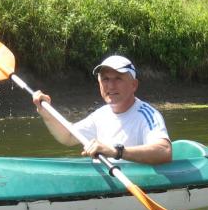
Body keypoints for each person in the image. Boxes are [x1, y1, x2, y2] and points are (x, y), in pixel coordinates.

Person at [32, 55, 172, 164]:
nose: (110, 86)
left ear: (134, 85)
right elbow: (67, 137)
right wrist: (47, 115)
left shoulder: (147, 115)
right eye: (105, 79)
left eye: (118, 78)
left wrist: (116, 151)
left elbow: (164, 151)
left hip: (137, 183)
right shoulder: (100, 115)